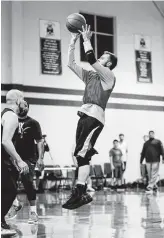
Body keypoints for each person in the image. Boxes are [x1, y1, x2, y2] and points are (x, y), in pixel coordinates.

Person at [62, 24, 117, 209]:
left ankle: (80, 192)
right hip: (84, 115)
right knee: (78, 154)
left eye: (103, 58)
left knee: (82, 154)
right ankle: (82, 192)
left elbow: (91, 58)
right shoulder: (91, 76)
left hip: (95, 117)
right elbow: (71, 64)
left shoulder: (108, 76)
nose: (99, 59)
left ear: (108, 64)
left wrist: (86, 38)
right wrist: (72, 41)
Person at [7, 100, 44, 223]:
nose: (23, 107)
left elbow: (39, 141)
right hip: (13, 157)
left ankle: (33, 212)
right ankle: (16, 204)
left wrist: (40, 158)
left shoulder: (33, 123)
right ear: (16, 107)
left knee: (27, 182)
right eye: (21, 105)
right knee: (8, 184)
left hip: (29, 158)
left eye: (26, 105)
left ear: (28, 108)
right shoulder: (11, 121)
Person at [1, 90, 29, 235]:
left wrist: (13, 160)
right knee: (10, 191)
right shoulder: (11, 115)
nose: (24, 102)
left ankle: (2, 222)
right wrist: (19, 160)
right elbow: (5, 141)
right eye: (23, 98)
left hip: (4, 158)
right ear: (18, 99)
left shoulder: (3, 113)